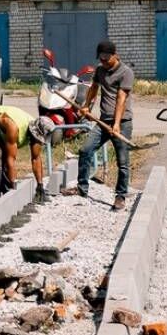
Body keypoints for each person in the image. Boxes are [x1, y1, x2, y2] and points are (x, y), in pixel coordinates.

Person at [63, 40, 133, 211]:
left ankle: (120, 196)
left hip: (122, 123)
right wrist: (87, 105)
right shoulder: (100, 70)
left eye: (106, 59)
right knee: (85, 150)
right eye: (101, 59)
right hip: (103, 122)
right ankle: (82, 188)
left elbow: (121, 99)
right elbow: (94, 88)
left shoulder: (126, 72)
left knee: (122, 161)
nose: (103, 62)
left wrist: (116, 124)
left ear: (115, 55)